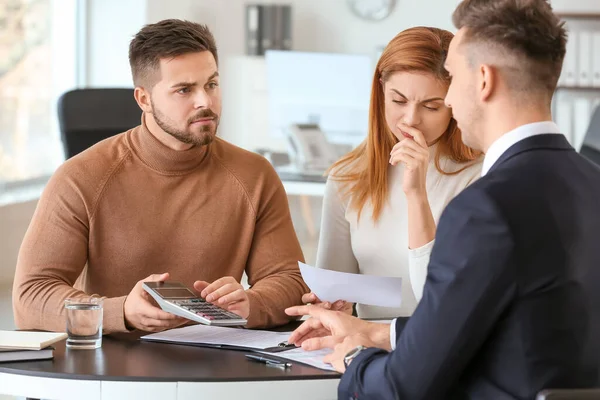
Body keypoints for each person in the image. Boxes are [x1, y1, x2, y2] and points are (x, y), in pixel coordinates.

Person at [285, 0, 600, 398]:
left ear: (482, 80)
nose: (449, 99)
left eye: (450, 78)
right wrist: (369, 330)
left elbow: (407, 385)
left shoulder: (486, 206)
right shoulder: (591, 182)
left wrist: (353, 359)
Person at [12, 19, 309, 334]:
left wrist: (253, 303)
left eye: (211, 84)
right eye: (184, 89)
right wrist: (120, 311)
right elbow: (30, 298)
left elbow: (291, 281)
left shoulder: (254, 175)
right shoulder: (80, 177)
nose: (205, 102)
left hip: (218, 364)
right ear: (144, 99)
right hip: (113, 367)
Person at [303, 27, 482, 319]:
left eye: (431, 106)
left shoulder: (480, 176)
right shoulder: (347, 176)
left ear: (454, 105)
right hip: (366, 352)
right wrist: (330, 308)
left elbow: (451, 306)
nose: (411, 119)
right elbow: (332, 292)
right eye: (398, 101)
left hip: (440, 350)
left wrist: (416, 194)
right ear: (381, 93)